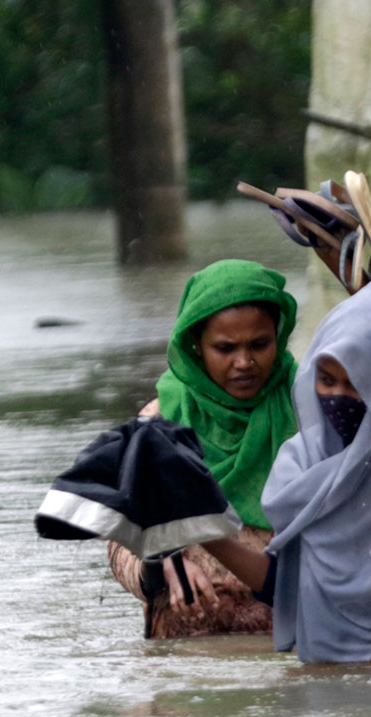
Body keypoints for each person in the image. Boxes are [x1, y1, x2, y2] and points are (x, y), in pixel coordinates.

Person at [198, 278, 371, 665]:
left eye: (358, 383)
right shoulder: (302, 460)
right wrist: (202, 532)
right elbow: (285, 586)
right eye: (326, 380)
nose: (337, 397)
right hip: (327, 669)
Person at [108, 260, 301, 638]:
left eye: (259, 345)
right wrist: (162, 564)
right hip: (187, 650)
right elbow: (120, 544)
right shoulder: (158, 426)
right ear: (196, 346)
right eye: (225, 348)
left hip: (287, 644)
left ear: (278, 337)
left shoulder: (306, 412)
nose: (244, 363)